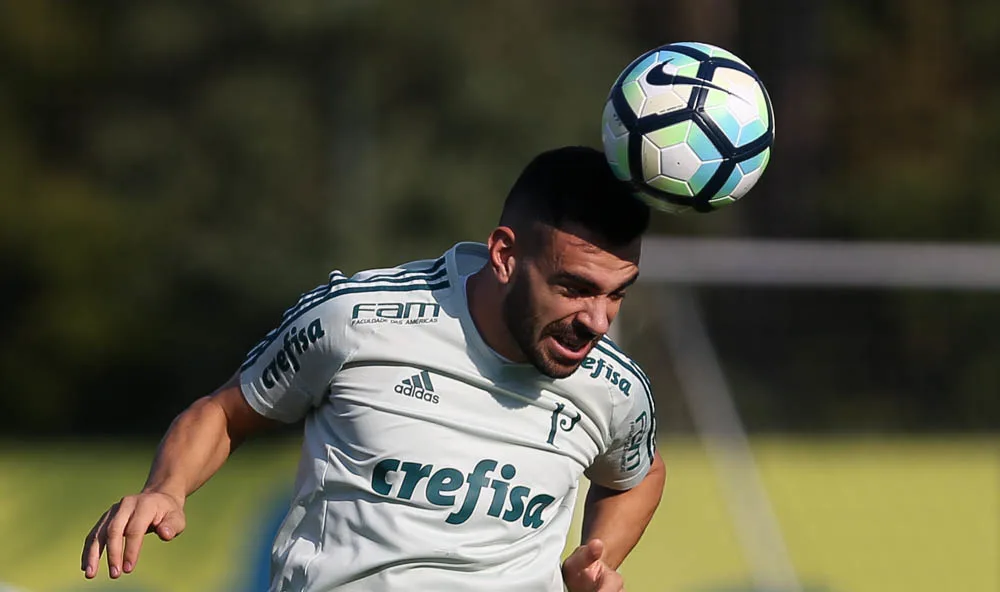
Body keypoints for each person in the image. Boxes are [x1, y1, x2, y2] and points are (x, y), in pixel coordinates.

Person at [81, 146, 666, 591]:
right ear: (505, 257)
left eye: (617, 294)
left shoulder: (613, 386)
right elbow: (226, 412)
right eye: (574, 288)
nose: (598, 321)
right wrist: (167, 488)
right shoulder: (355, 322)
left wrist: (597, 555)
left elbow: (638, 473)